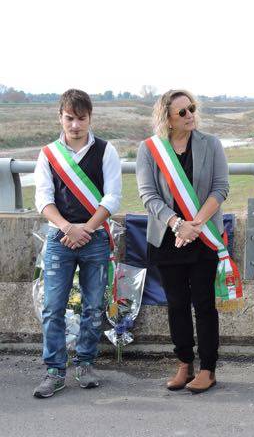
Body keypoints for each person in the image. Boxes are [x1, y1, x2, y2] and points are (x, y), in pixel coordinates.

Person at [136, 89, 229, 394]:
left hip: (202, 237)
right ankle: (184, 363)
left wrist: (196, 224)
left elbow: (220, 189)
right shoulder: (149, 150)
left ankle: (208, 369)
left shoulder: (211, 144)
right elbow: (148, 195)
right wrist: (177, 224)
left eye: (192, 108)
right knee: (176, 304)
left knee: (204, 304)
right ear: (167, 119)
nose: (191, 115)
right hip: (167, 237)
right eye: (183, 112)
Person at [33, 89, 122, 398]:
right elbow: (42, 199)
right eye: (69, 118)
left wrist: (86, 229)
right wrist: (68, 228)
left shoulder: (106, 151)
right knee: (52, 306)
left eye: (81, 119)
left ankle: (85, 363)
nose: (74, 125)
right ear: (60, 117)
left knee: (94, 306)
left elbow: (113, 196)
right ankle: (55, 370)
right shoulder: (48, 154)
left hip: (95, 237)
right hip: (60, 237)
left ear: (90, 118)